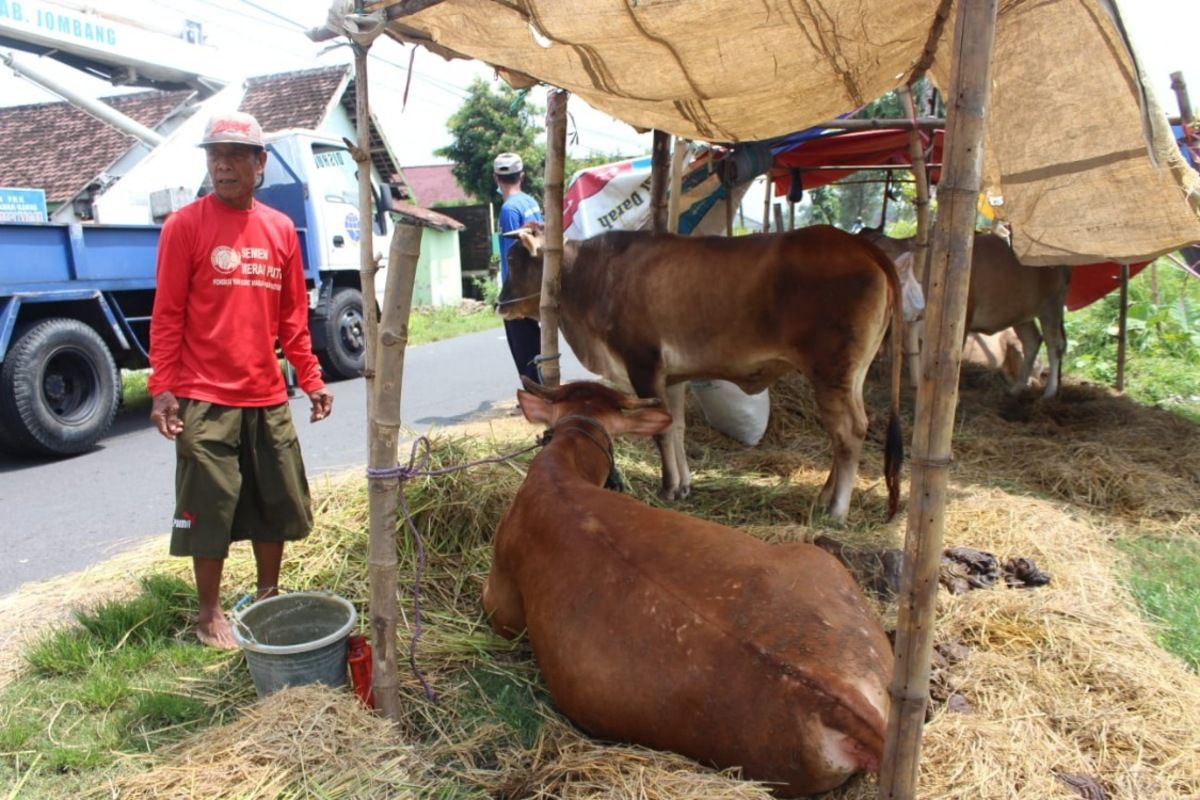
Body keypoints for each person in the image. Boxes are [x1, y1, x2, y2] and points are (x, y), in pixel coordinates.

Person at [148, 111, 334, 650]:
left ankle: (268, 596)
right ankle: (208, 615)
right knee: (208, 504)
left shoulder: (279, 230)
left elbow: (292, 319)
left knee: (274, 500)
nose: (222, 164)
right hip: (204, 395)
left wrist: (312, 377)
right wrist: (163, 388)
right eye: (214, 155)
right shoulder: (184, 226)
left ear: (260, 164)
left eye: (234, 155)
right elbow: (168, 315)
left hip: (267, 392)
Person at [494, 152, 544, 383]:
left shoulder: (509, 210)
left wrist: (513, 299)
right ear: (521, 176)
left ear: (496, 179)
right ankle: (542, 386)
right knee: (535, 342)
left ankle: (534, 391)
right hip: (536, 284)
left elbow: (515, 256)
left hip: (520, 289)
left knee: (522, 346)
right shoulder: (530, 202)